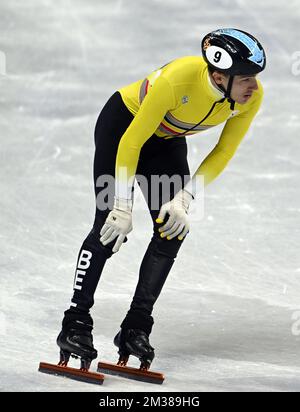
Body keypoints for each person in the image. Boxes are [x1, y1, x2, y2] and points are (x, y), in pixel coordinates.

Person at [57, 28, 266, 371]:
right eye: (245, 79)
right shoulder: (176, 81)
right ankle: (75, 321)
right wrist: (122, 205)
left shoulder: (250, 97)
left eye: (254, 78)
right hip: (123, 128)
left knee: (172, 228)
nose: (254, 88)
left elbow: (224, 150)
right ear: (218, 76)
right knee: (109, 227)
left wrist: (185, 198)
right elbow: (130, 143)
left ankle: (135, 326)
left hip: (166, 142)